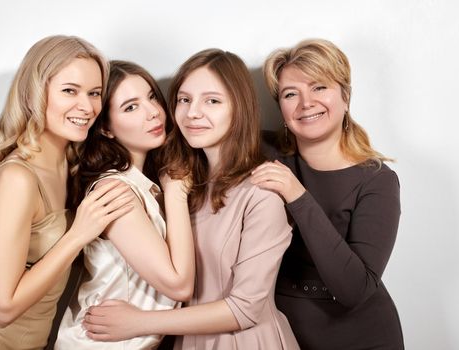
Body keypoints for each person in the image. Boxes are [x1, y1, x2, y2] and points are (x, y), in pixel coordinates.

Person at [80, 49, 300, 350]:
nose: (193, 112)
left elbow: (245, 308)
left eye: (212, 101)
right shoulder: (179, 187)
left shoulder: (261, 192)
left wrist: (139, 321)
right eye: (184, 100)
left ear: (240, 107)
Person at [0, 35, 135, 350]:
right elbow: (3, 308)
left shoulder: (70, 165)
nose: (87, 107)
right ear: (34, 93)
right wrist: (78, 234)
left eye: (94, 93)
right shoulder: (18, 178)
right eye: (70, 91)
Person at [251, 38, 404, 349]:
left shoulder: (377, 181)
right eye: (291, 94)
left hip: (361, 338)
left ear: (345, 97)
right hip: (280, 335)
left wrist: (297, 195)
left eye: (319, 87)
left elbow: (354, 290)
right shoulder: (262, 151)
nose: (306, 103)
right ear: (280, 107)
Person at [54, 60, 195, 350]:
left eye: (152, 97)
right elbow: (179, 285)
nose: (153, 112)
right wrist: (177, 192)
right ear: (105, 128)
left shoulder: (143, 184)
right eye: (131, 107)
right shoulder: (115, 190)